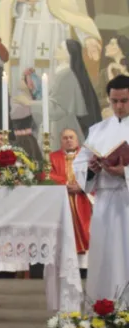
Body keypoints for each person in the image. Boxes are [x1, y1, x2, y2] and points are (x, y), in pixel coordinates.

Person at [74, 75, 129, 303]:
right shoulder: (97, 129)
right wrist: (92, 168)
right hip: (105, 202)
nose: (118, 106)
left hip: (126, 199)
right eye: (114, 101)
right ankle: (105, 311)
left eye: (124, 101)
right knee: (106, 259)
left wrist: (125, 172)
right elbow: (80, 162)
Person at [49, 128, 92, 271]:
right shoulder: (52, 157)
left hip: (84, 201)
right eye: (65, 138)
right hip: (62, 202)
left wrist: (82, 186)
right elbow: (48, 175)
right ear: (60, 141)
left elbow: (97, 175)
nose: (68, 140)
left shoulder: (87, 156)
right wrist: (66, 184)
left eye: (71, 137)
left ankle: (85, 268)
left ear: (77, 140)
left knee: (88, 230)